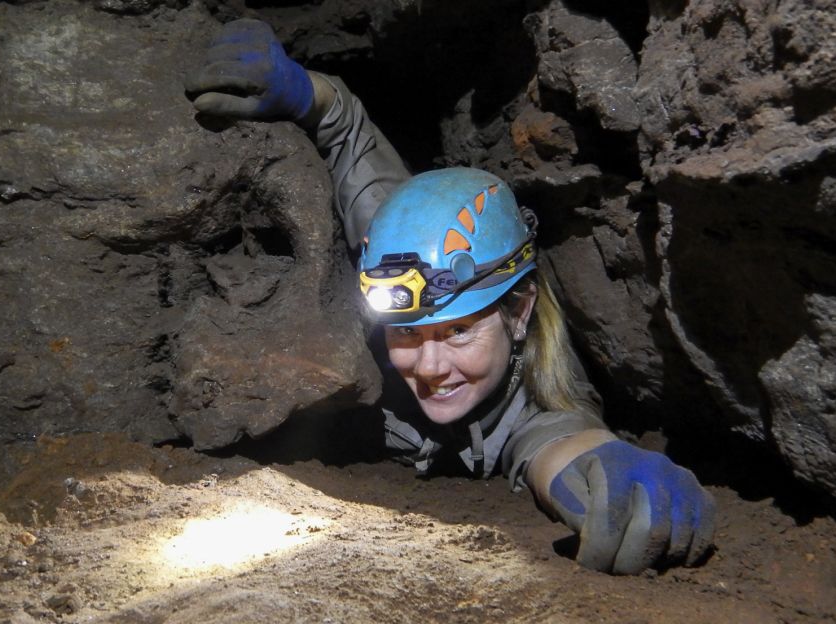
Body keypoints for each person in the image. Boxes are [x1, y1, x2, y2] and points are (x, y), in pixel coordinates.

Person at [184, 19, 716, 576]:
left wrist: (604, 466)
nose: (431, 367)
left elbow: (556, 439)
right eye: (406, 332)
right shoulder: (401, 250)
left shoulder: (535, 396)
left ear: (519, 312)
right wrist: (302, 90)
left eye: (459, 330)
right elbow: (344, 129)